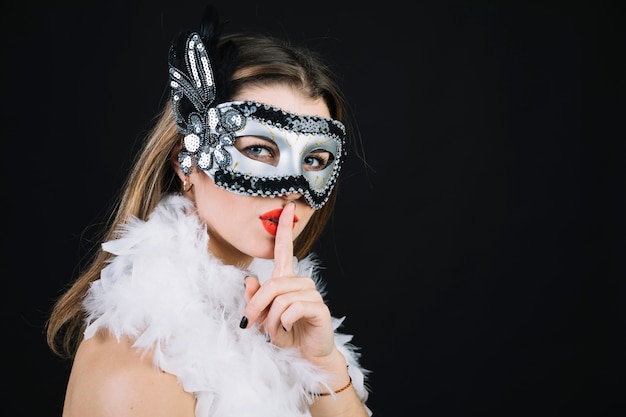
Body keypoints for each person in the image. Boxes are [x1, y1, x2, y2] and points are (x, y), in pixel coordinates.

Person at [45, 4, 371, 417]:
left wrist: (322, 368)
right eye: (257, 149)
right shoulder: (142, 356)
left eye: (315, 160)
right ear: (188, 160)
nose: (293, 189)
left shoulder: (290, 325)